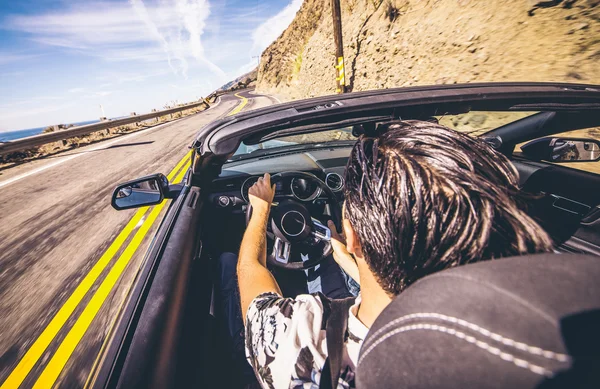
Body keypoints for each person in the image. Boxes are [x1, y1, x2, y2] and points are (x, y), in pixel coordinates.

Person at [226, 120, 553, 389]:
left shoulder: (304, 343)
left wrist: (260, 208)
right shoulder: (521, 349)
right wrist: (347, 261)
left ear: (351, 236)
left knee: (226, 263)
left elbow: (249, 268)